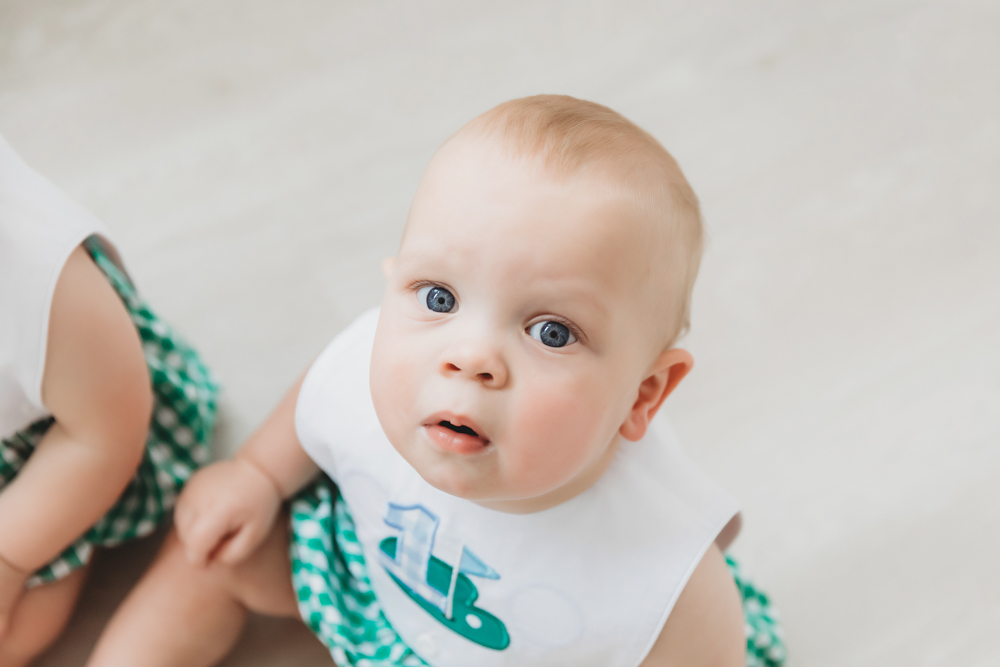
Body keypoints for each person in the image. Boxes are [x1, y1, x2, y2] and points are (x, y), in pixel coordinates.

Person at [87, 95, 785, 667]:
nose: (469, 356)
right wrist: (258, 475)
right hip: (371, 575)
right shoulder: (380, 363)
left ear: (643, 395)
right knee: (212, 548)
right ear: (393, 286)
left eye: (551, 331)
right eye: (440, 297)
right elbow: (326, 387)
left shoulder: (662, 577)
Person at [0, 135, 218, 665]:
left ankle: (52, 550)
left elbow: (104, 432)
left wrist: (7, 560)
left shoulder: (30, 276)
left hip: (70, 436)